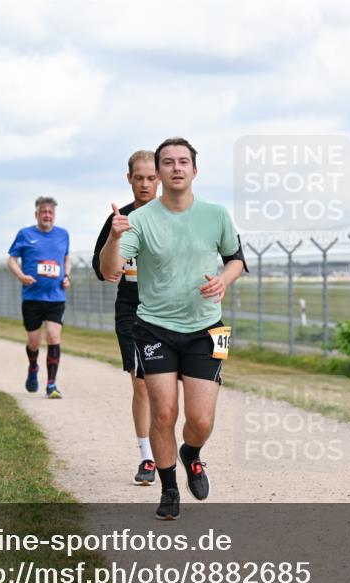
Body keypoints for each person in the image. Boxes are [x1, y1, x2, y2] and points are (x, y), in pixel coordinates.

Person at [100, 137, 246, 520]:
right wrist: (115, 238)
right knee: (164, 413)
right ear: (160, 172)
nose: (176, 168)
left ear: (195, 170)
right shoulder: (141, 220)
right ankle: (168, 489)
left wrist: (224, 281)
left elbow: (235, 258)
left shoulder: (216, 215)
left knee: (201, 420)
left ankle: (192, 454)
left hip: (207, 328)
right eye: (168, 162)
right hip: (154, 328)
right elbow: (109, 269)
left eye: (183, 161)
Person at [93, 150, 160, 486]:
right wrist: (115, 239)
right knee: (143, 383)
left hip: (171, 310)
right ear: (129, 179)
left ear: (160, 178)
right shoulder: (121, 217)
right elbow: (101, 267)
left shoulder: (175, 215)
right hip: (132, 311)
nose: (145, 184)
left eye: (151, 177)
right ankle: (147, 457)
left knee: (173, 388)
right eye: (139, 178)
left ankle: (183, 450)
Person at [7, 196, 71, 399]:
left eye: (50, 212)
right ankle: (33, 367)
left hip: (56, 297)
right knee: (34, 342)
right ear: (37, 214)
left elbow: (67, 257)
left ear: (54, 215)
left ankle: (51, 384)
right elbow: (11, 260)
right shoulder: (25, 234)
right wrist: (20, 276)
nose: (47, 215)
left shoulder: (63, 235)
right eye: (43, 211)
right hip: (32, 297)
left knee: (53, 336)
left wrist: (67, 275)